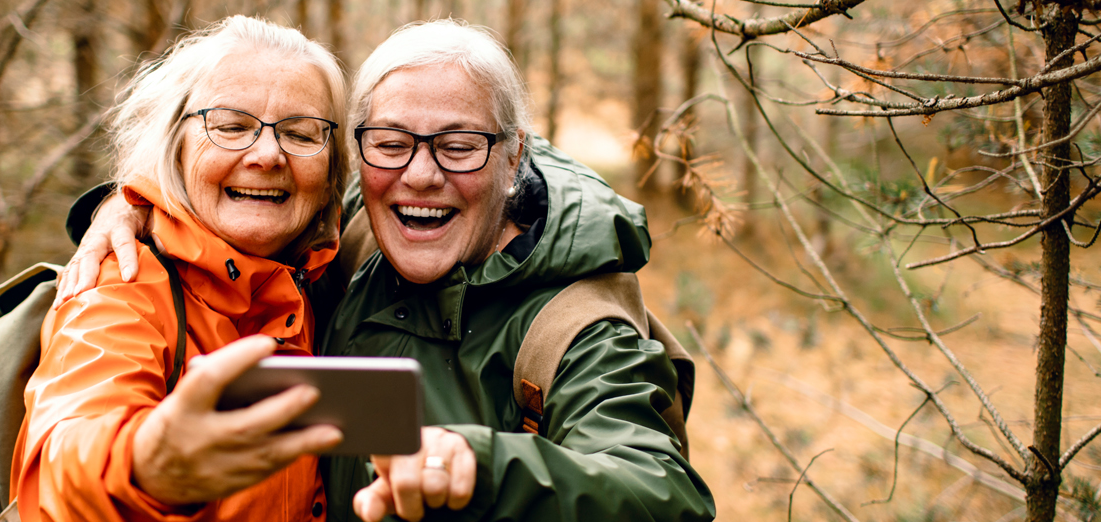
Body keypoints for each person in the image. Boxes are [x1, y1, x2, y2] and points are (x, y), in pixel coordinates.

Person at [65, 20, 715, 522]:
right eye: (392, 143)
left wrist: (482, 466)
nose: (421, 175)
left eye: (459, 146)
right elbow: (243, 184)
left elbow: (664, 493)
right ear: (360, 152)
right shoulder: (353, 231)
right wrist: (123, 202)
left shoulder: (576, 324)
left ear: (515, 157)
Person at [12, 16, 352, 521]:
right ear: (175, 145)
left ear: (331, 173)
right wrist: (148, 466)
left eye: (301, 134)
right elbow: (67, 459)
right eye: (232, 126)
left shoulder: (330, 279)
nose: (267, 154)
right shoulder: (121, 284)